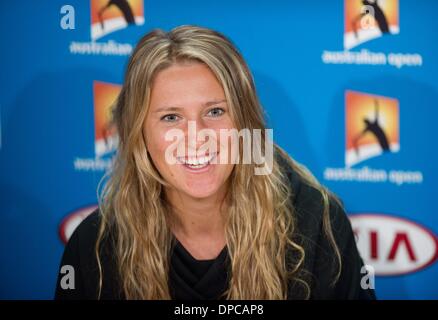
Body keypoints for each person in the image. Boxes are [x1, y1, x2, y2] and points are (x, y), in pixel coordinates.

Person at [55, 25, 376, 300]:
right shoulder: (94, 248)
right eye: (171, 117)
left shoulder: (317, 225)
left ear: (246, 124)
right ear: (139, 134)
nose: (197, 137)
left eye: (215, 112)